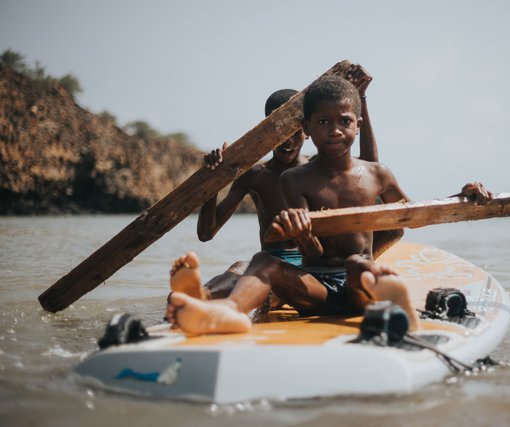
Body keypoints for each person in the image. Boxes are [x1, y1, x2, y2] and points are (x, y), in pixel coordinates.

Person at [165, 75, 492, 335]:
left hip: (353, 283)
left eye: (344, 122)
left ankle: (394, 300)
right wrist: (302, 232)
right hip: (312, 283)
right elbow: (313, 256)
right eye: (322, 123)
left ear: (355, 126)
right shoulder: (292, 179)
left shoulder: (372, 173)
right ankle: (221, 310)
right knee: (256, 262)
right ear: (307, 128)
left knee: (359, 262)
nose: (334, 130)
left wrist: (461, 197)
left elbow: (412, 214)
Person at [171, 64, 387, 302]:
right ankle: (195, 297)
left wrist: (361, 96)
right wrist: (214, 180)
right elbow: (206, 233)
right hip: (273, 261)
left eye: (293, 133)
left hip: (312, 267)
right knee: (242, 266)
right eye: (278, 135)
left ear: (306, 130)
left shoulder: (316, 169)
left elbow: (368, 166)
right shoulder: (255, 175)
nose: (286, 142)